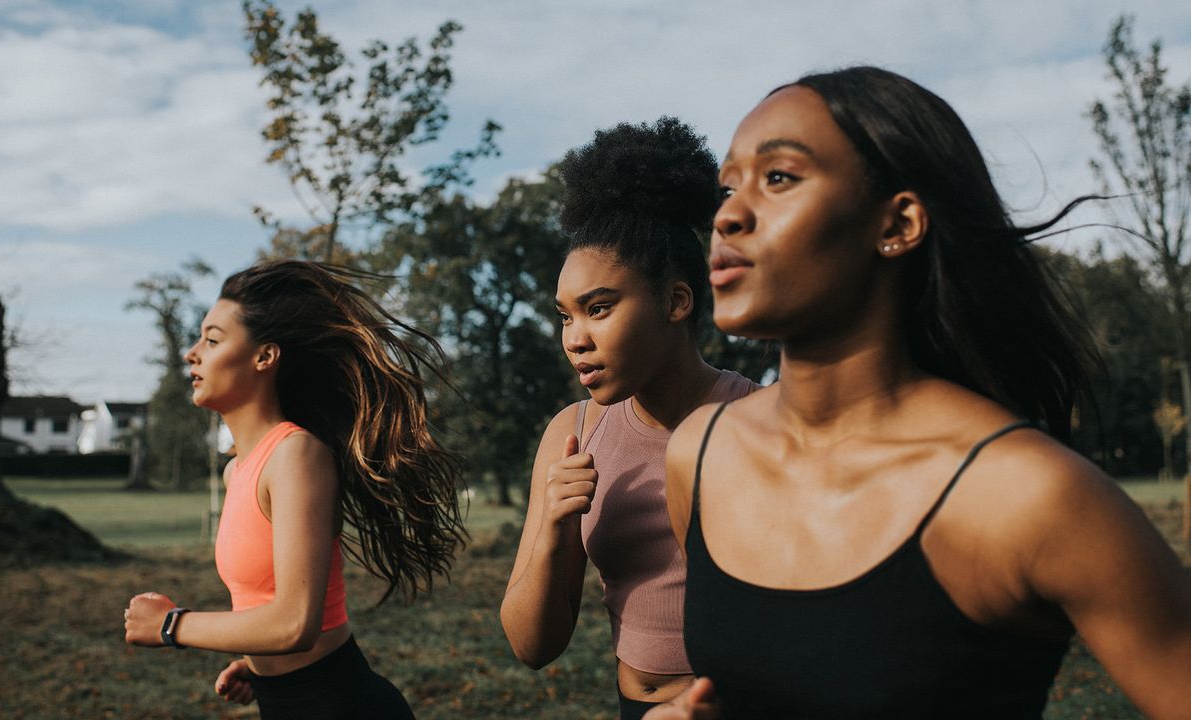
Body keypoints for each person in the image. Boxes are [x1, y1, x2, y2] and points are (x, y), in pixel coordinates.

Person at [650, 66, 1191, 719]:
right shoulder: (700, 456)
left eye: (780, 178)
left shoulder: (1030, 496)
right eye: (727, 185)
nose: (729, 214)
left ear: (898, 223)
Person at [123, 260, 467, 719]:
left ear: (264, 357)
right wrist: (258, 662)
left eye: (212, 339)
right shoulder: (239, 470)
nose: (192, 353)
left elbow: (294, 623)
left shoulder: (295, 455)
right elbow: (268, 605)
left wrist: (172, 625)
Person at [500, 117, 757, 720]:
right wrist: (555, 531)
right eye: (565, 316)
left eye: (599, 308)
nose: (576, 339)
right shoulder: (574, 434)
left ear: (676, 301)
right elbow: (532, 647)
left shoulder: (760, 420)